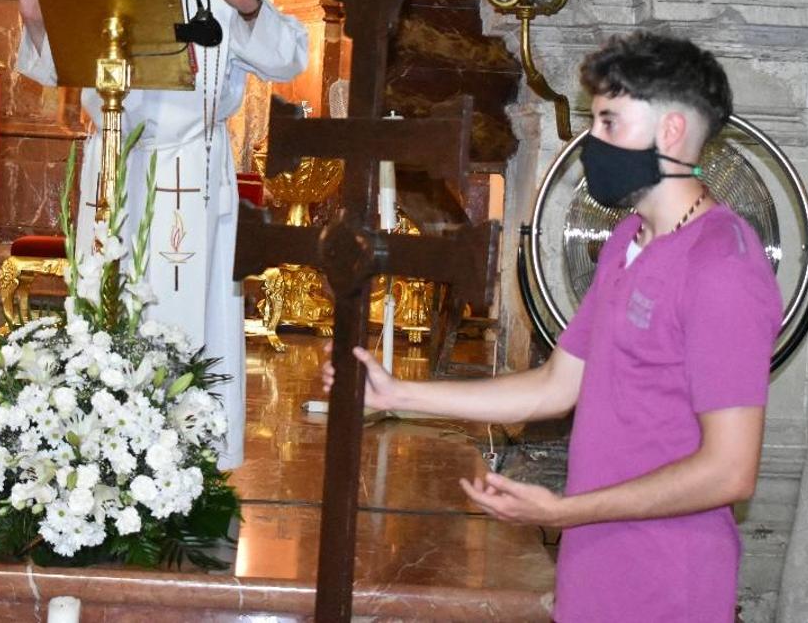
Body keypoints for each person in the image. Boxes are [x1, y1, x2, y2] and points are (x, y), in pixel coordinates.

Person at [324, 31, 781, 622]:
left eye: (610, 122)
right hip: (594, 564)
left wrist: (567, 511)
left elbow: (730, 470)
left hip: (669, 580)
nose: (593, 140)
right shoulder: (626, 241)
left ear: (670, 131)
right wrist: (399, 393)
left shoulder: (721, 264)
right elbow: (555, 386)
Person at [17, 0, 309, 470]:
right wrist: (38, 24)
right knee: (107, 296)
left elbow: (285, 61)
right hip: (114, 165)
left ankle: (189, 454)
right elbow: (52, 68)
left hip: (191, 168)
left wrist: (251, 9)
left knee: (188, 305)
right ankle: (100, 444)